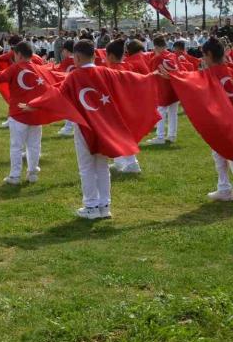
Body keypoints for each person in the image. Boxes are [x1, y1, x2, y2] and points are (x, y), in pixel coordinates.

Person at [46, 40, 158, 219]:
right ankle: (105, 206)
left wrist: (34, 104)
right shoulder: (105, 71)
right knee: (102, 166)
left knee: (86, 167)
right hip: (104, 127)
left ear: (77, 57)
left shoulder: (74, 76)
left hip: (85, 128)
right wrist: (153, 75)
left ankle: (91, 206)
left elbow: (57, 95)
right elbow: (131, 79)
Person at [159, 37, 233, 202]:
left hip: (221, 120)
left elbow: (191, 81)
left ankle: (224, 188)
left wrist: (174, 76)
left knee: (219, 153)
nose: (202, 59)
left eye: (204, 55)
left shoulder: (209, 74)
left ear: (209, 54)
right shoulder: (230, 72)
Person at [0, 41, 60, 185]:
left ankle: (15, 176)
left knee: (16, 146)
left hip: (18, 113)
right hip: (35, 113)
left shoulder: (15, 67)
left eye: (14, 55)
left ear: (19, 54)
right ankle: (32, 173)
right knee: (34, 145)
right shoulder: (38, 68)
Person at [104, 40, 142, 174]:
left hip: (119, 109)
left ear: (111, 56)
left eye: (106, 55)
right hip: (127, 107)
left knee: (122, 136)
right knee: (116, 137)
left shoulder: (113, 71)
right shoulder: (127, 66)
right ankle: (119, 162)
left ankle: (133, 164)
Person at [146, 36, 180, 145]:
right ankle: (172, 135)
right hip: (174, 88)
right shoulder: (173, 55)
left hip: (162, 88)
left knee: (161, 112)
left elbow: (151, 73)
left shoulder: (156, 59)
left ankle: (160, 137)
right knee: (173, 113)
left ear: (155, 46)